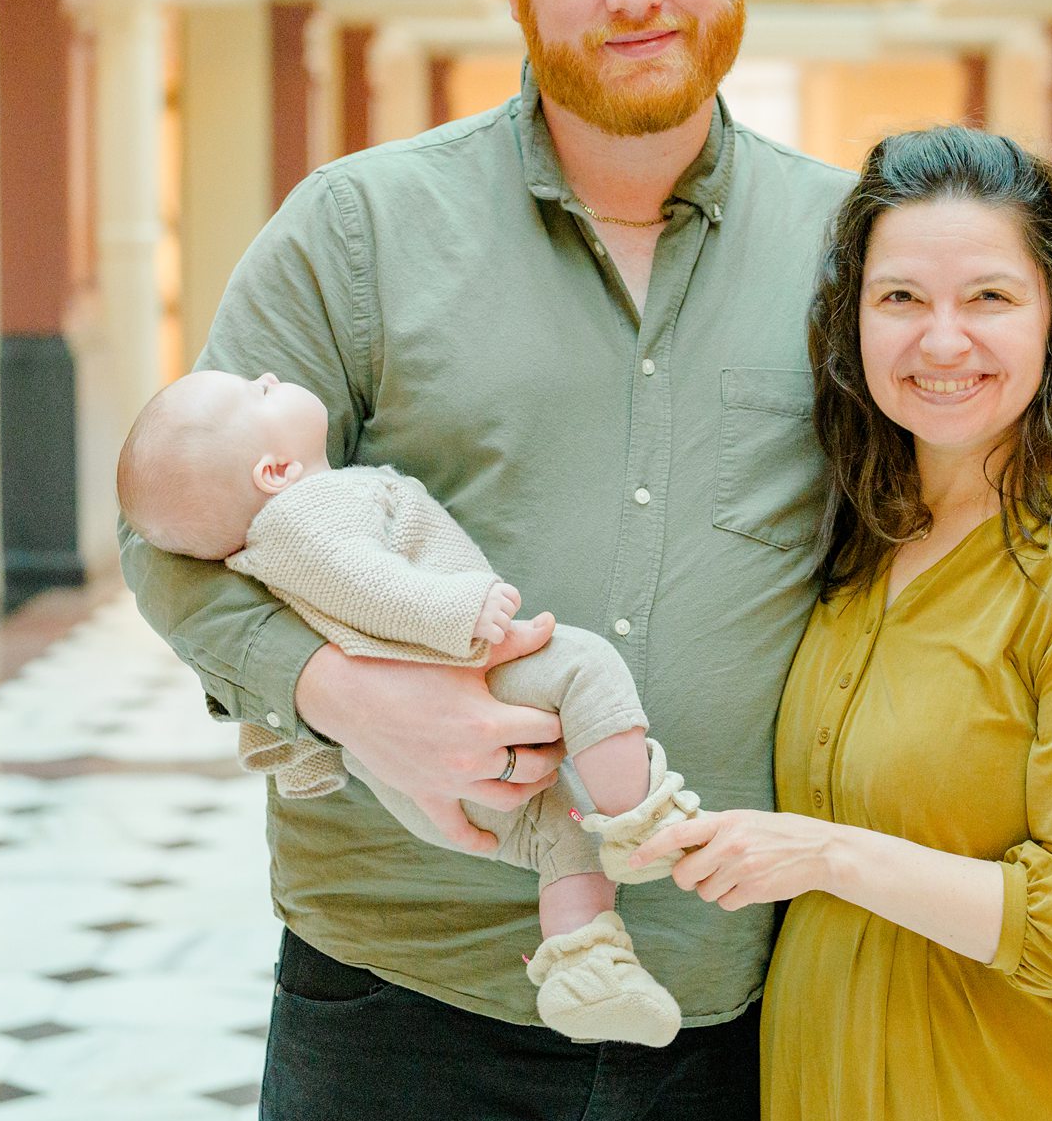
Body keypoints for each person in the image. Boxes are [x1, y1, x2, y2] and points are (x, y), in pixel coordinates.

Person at [119, 0, 1052, 1121]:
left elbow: (1004, 535)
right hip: (406, 998)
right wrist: (336, 689)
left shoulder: (856, 257)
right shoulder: (357, 230)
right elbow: (170, 539)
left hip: (731, 1004)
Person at [635, 127, 1052, 1121]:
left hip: (1031, 1102)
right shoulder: (865, 527)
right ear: (852, 319)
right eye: (901, 298)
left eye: (989, 297)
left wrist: (826, 855)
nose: (942, 341)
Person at [114, 366, 705, 1045]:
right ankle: (641, 825)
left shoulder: (284, 526)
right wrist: (462, 608)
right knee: (588, 668)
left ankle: (586, 964)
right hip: (456, 672)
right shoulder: (305, 515)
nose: (269, 374)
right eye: (260, 392)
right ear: (275, 469)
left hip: (416, 765)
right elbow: (368, 584)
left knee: (559, 824)